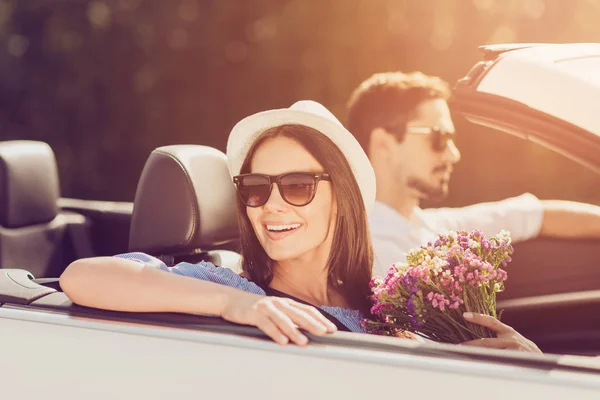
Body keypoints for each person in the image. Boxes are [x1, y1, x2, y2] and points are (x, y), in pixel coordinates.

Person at [59, 100, 540, 352]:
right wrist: (237, 305)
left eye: (296, 185)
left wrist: (512, 365)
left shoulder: (391, 307)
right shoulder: (231, 287)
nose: (270, 206)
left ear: (344, 197)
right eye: (254, 187)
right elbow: (81, 277)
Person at [346, 71, 600, 276]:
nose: (453, 154)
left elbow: (536, 215)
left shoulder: (440, 229)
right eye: (439, 137)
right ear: (383, 143)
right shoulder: (344, 252)